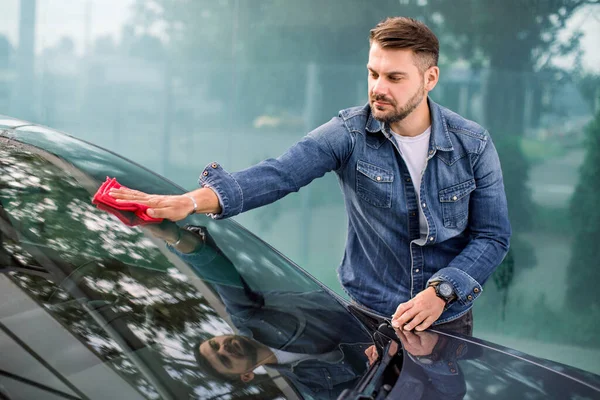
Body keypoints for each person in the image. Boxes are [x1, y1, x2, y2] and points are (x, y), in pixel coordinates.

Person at [110, 16, 511, 335]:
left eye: (394, 78)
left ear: (430, 79)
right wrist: (191, 201)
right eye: (373, 73)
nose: (378, 88)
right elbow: (281, 173)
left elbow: (492, 237)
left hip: (446, 323)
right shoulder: (350, 133)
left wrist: (442, 293)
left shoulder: (472, 144)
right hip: (369, 318)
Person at [143, 222, 372, 399]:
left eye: (215, 344)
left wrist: (175, 237)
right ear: (246, 375)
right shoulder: (311, 388)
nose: (225, 348)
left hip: (377, 303)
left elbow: (216, 272)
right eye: (224, 360)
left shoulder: (249, 314)